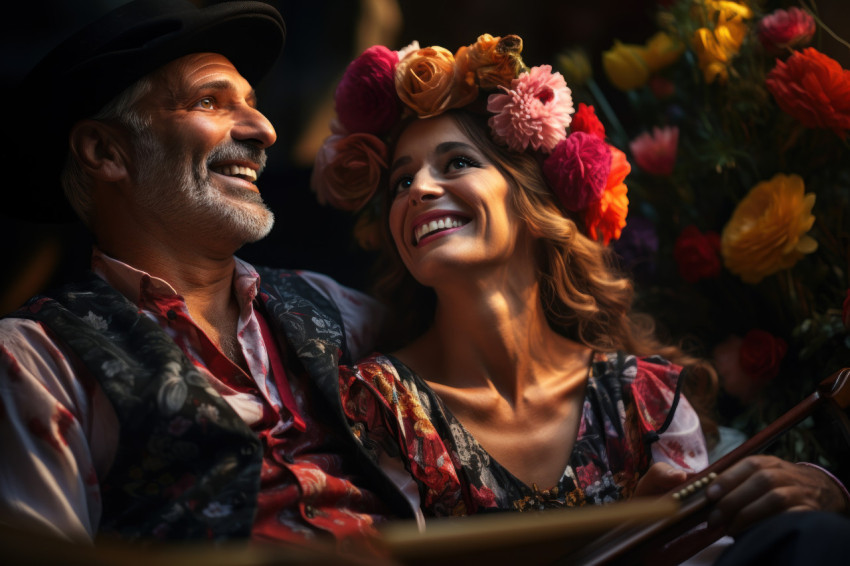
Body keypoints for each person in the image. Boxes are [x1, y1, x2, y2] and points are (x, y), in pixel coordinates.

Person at [311, 34, 850, 562]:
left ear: (532, 203)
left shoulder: (643, 398)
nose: (418, 190)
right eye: (401, 182)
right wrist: (624, 538)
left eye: (456, 164)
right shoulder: (380, 406)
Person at [0, 0, 421, 554]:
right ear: (105, 150)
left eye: (253, 104)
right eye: (209, 101)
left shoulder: (335, 308)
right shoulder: (36, 359)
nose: (264, 130)